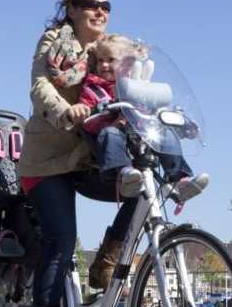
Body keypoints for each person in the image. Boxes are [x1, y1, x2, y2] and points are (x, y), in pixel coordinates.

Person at [17, 0, 136, 307]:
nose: (100, 11)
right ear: (72, 9)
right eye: (92, 5)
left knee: (138, 188)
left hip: (83, 159)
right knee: (61, 241)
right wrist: (65, 110)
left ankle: (105, 263)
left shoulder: (111, 50)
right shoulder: (55, 45)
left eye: (106, 6)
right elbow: (40, 88)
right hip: (48, 160)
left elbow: (136, 86)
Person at [79, 33, 208, 206]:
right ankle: (124, 174)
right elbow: (88, 119)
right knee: (110, 134)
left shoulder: (138, 86)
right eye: (100, 60)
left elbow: (157, 111)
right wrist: (104, 114)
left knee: (166, 133)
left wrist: (183, 124)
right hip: (114, 139)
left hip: (140, 139)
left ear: (128, 63)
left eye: (111, 60)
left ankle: (179, 180)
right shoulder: (93, 88)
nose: (104, 65)